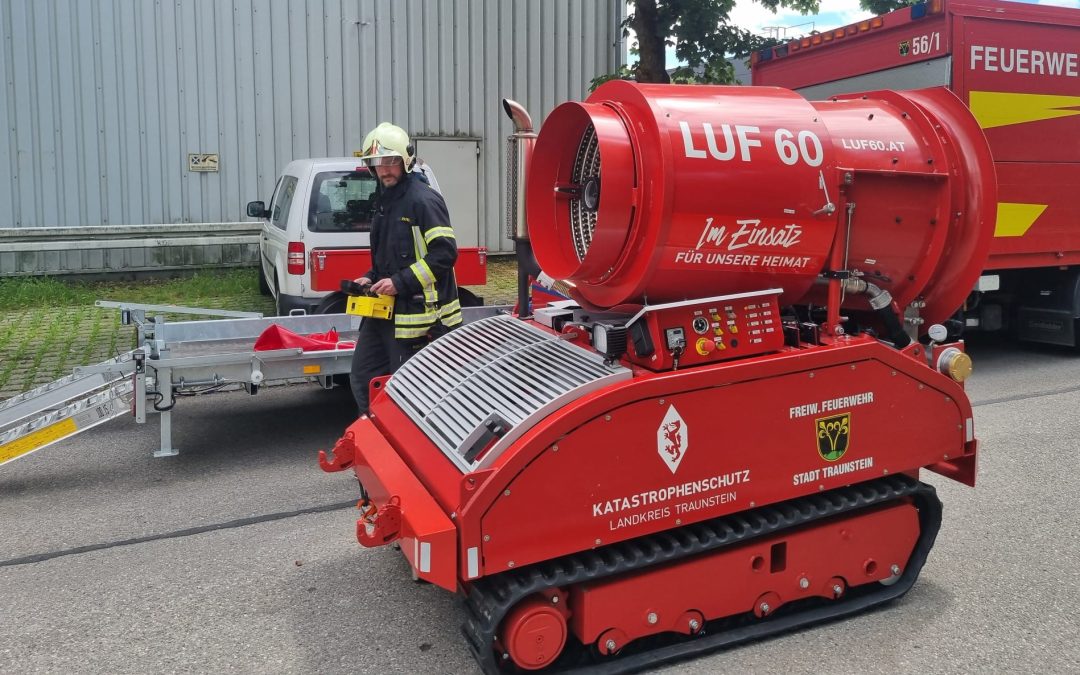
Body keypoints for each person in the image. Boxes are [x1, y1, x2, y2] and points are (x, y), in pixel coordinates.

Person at [350, 122, 461, 415]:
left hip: (419, 319)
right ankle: (375, 438)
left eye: (390, 162)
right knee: (363, 377)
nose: (384, 170)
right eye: (377, 164)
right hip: (384, 313)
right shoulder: (385, 201)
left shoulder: (422, 200)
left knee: (408, 392)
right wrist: (371, 276)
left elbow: (445, 253)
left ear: (405, 161)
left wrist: (400, 282)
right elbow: (392, 257)